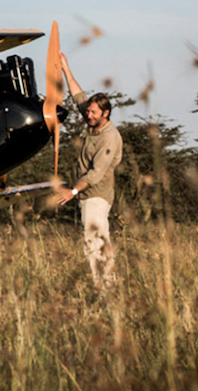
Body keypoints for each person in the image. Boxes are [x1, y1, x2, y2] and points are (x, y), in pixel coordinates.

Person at [56, 53, 122, 288]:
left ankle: (105, 287)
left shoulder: (109, 137)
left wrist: (72, 192)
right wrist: (65, 68)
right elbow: (79, 97)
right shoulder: (93, 120)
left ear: (105, 113)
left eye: (93, 113)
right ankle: (106, 285)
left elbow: (95, 173)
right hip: (87, 195)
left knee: (95, 243)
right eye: (88, 111)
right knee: (95, 242)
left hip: (96, 195)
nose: (88, 115)